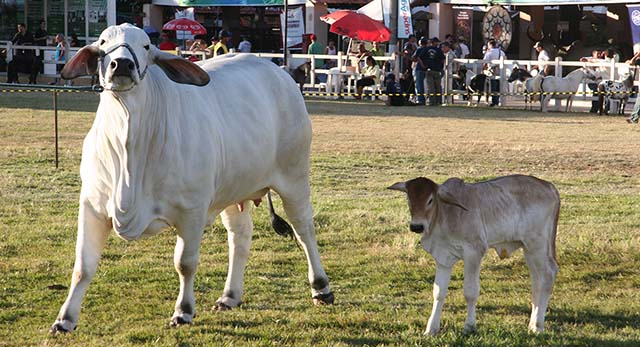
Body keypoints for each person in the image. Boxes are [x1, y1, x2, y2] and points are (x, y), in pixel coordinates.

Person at [482, 39, 505, 106]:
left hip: (492, 70)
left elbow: (485, 63)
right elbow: (505, 59)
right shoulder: (501, 52)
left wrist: (483, 70)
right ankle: (499, 100)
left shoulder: (489, 53)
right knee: (499, 85)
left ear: (490, 45)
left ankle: (494, 101)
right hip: (500, 70)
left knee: (493, 86)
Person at [411, 37, 430, 105]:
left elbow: (414, 58)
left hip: (419, 69)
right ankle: (428, 99)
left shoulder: (419, 49)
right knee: (428, 85)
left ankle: (420, 100)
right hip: (428, 69)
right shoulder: (429, 50)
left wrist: (420, 63)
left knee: (419, 85)